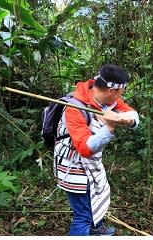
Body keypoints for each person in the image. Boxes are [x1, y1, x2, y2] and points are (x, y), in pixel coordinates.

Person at [54, 64, 140, 235]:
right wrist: (109, 127)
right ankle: (88, 228)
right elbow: (85, 148)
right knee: (84, 215)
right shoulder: (75, 107)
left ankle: (96, 229)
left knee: (99, 193)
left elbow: (132, 113)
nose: (121, 96)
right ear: (111, 91)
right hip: (73, 166)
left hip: (92, 165)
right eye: (121, 92)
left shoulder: (108, 101)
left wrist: (125, 119)